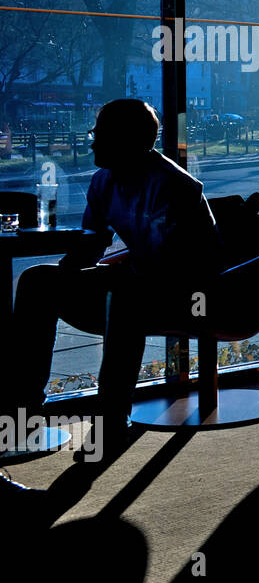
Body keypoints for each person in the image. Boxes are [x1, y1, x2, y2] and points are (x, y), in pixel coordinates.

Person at [3, 99, 222, 452]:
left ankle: (111, 421)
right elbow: (90, 247)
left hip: (191, 291)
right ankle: (23, 411)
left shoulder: (176, 186)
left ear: (127, 139)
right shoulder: (104, 180)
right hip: (142, 282)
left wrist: (94, 276)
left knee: (123, 293)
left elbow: (183, 265)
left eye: (99, 134)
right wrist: (64, 279)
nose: (91, 142)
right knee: (36, 280)